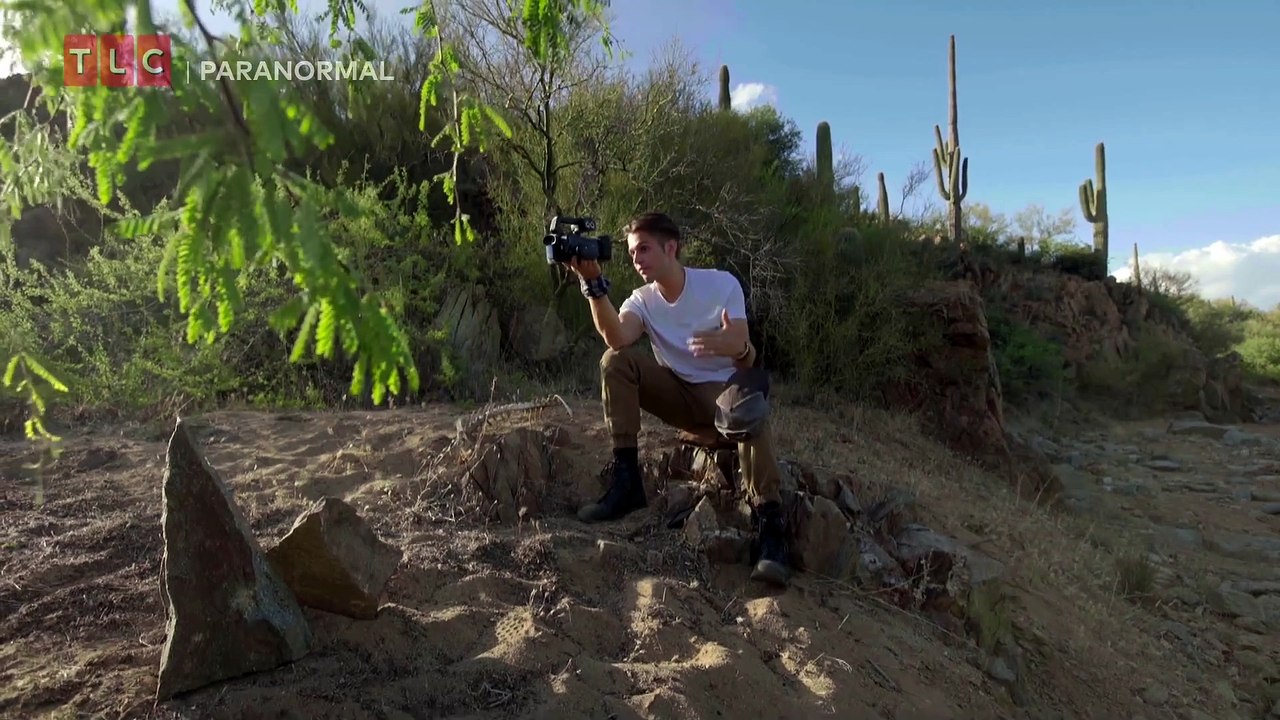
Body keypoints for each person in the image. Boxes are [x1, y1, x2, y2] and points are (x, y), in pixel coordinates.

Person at [563, 211, 791, 587]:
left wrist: (740, 347)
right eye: (633, 252)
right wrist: (593, 286)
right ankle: (626, 483)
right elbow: (618, 337)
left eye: (644, 250)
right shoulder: (642, 299)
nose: (637, 259)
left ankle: (769, 527)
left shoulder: (721, 285)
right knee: (615, 362)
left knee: (748, 404)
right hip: (675, 394)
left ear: (672, 247)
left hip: (722, 396)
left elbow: (744, 354)